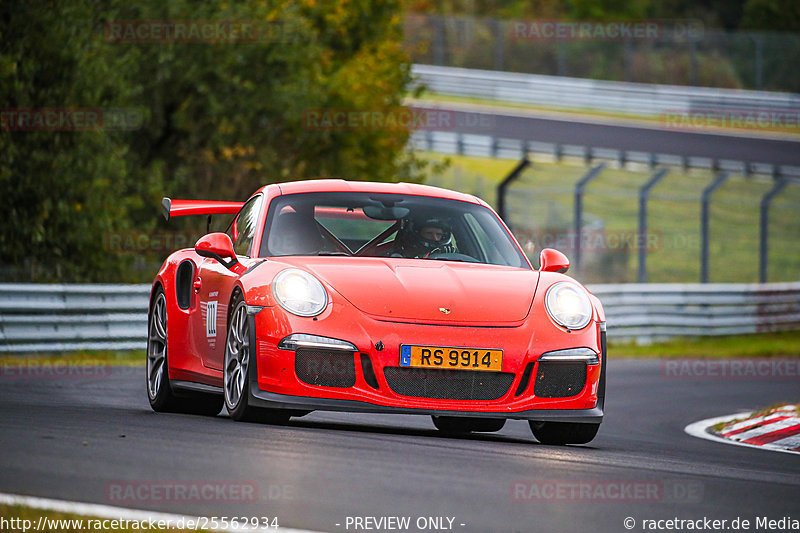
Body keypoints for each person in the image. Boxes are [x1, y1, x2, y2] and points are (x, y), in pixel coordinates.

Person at [392, 217, 457, 258]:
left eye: (438, 234)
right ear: (418, 234)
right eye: (429, 233)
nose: (435, 238)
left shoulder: (451, 255)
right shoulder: (401, 257)